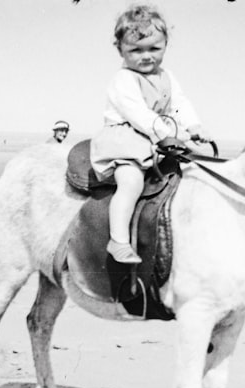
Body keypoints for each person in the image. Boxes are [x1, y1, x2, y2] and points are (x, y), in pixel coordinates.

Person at [90, 3, 212, 264]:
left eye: (154, 49)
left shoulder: (167, 76)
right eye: (136, 50)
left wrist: (194, 127)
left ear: (165, 45)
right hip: (127, 141)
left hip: (160, 139)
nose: (146, 56)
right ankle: (118, 240)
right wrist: (171, 135)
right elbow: (140, 116)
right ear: (120, 49)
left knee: (198, 174)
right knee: (131, 181)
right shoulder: (123, 80)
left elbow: (180, 103)